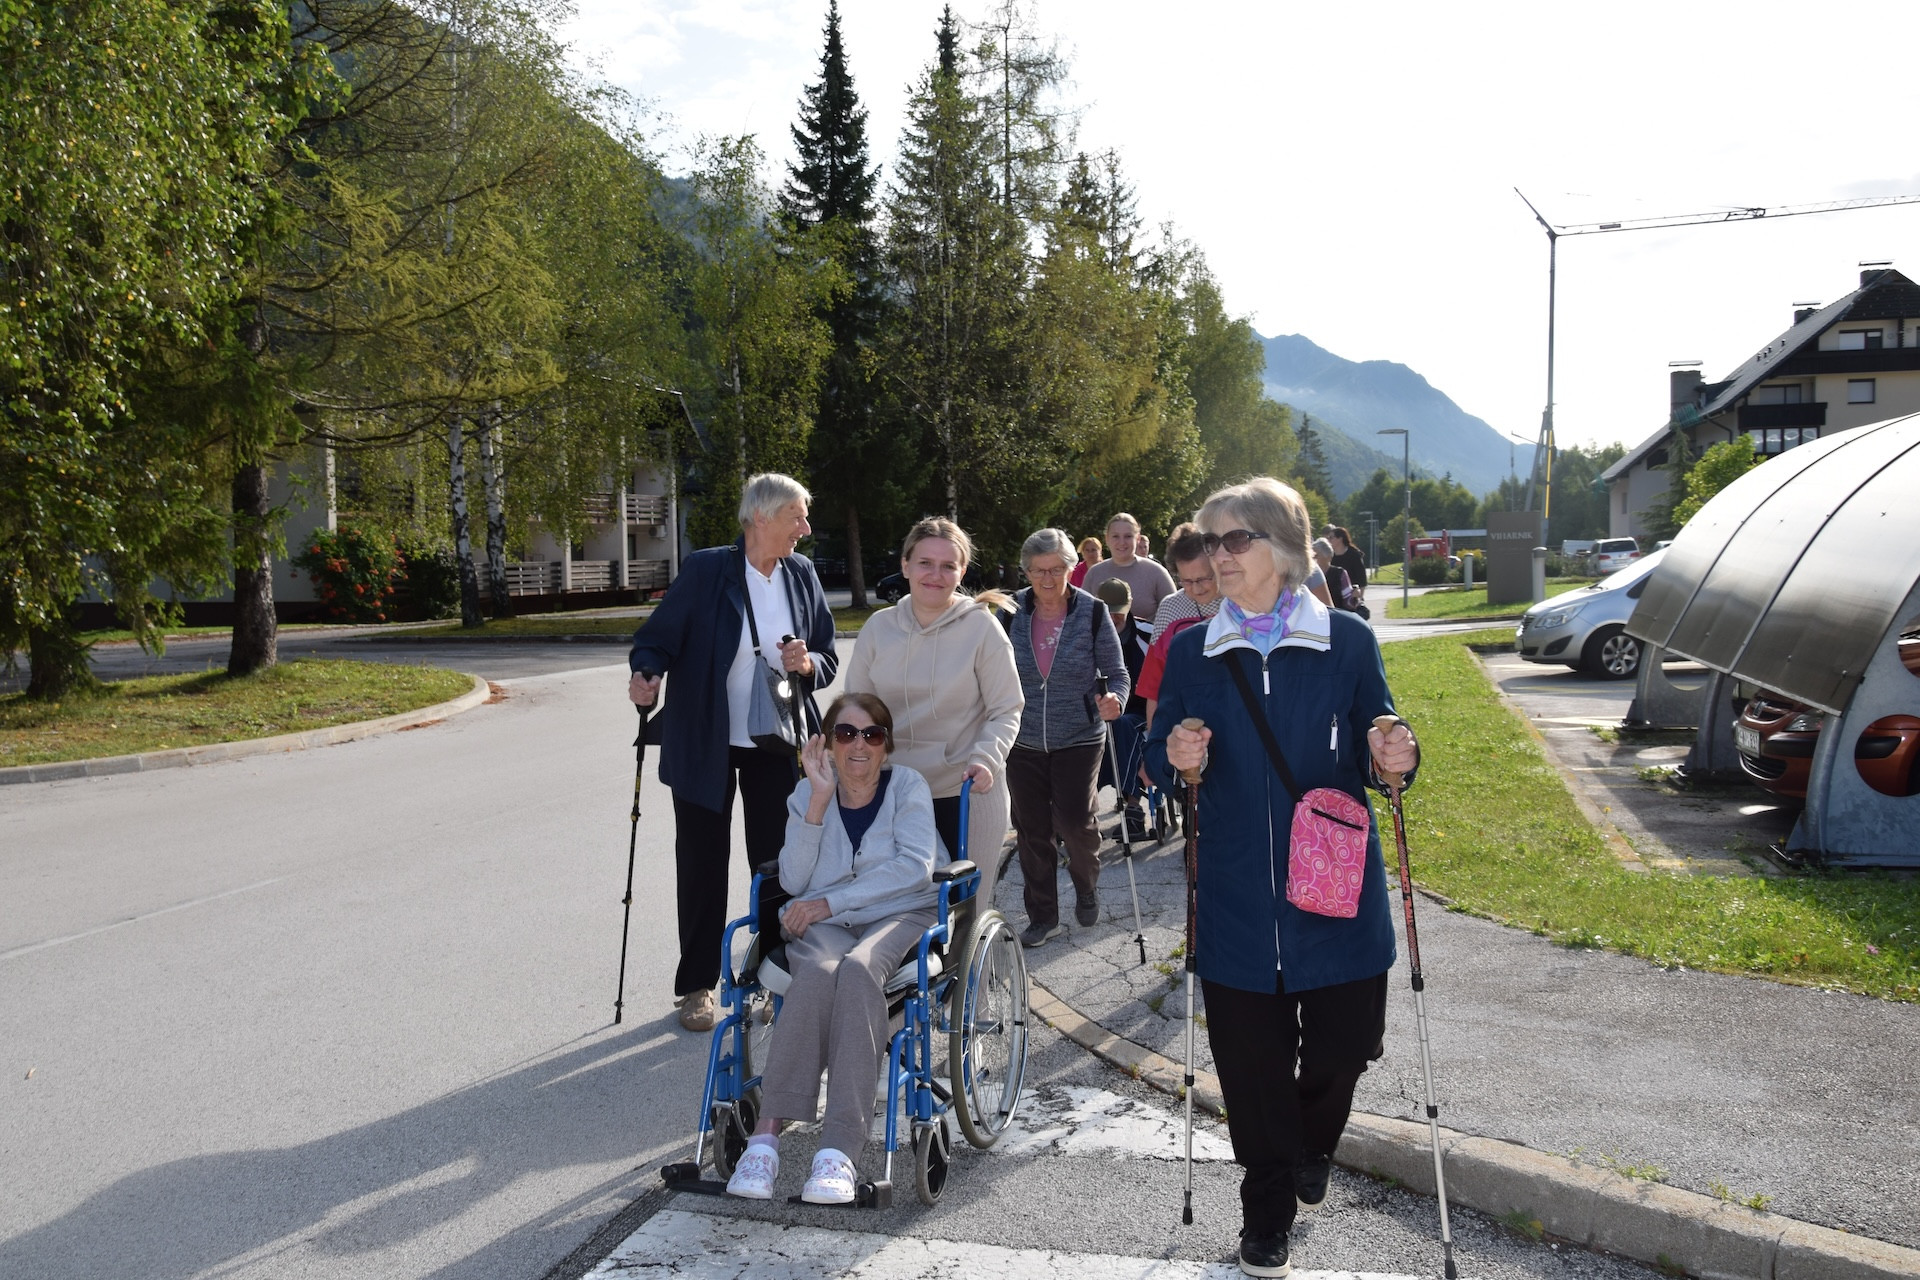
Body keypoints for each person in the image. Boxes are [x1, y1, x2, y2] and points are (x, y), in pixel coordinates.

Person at [1145, 477, 1418, 1279]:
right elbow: (1154, 754)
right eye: (1211, 541)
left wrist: (1395, 755)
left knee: (1346, 1048)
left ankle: (1312, 1143)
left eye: (1236, 541)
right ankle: (1266, 1212)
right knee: (1252, 1075)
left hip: (1334, 896)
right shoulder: (1193, 651)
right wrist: (1174, 759)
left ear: (1285, 550)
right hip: (1234, 901)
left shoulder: (1348, 643)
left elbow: (1383, 744)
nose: (1217, 556)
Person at [628, 473, 839, 1032]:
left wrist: (808, 664)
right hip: (705, 740)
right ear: (762, 518)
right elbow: (657, 636)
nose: (806, 528)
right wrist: (645, 673)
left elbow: (828, 655)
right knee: (701, 864)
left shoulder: (801, 574)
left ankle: (775, 975)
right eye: (797, 516)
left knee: (776, 863)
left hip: (777, 742)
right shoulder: (707, 569)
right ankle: (697, 985)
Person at [721, 693, 945, 1204]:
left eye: (872, 735)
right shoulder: (806, 795)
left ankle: (839, 1151)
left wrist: (830, 901)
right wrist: (819, 802)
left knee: (860, 970)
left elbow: (915, 866)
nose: (859, 745)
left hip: (901, 913)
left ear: (886, 746)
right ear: (826, 744)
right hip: (828, 922)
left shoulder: (907, 787)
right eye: (846, 734)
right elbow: (795, 878)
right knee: (819, 974)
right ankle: (765, 1140)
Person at [844, 516, 1023, 901]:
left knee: (965, 913)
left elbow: (1006, 707)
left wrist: (987, 758)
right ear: (905, 565)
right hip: (892, 790)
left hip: (965, 790)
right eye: (925, 563)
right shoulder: (878, 628)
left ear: (961, 572)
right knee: (893, 911)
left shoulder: (982, 629)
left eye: (948, 566)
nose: (935, 575)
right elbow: (857, 711)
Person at [1005, 528, 1127, 946]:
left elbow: (1118, 672)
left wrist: (1116, 699)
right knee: (1032, 830)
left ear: (1073, 568)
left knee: (1076, 822)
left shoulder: (1092, 612)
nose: (1048, 579)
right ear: (1026, 571)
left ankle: (1086, 882)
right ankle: (1043, 916)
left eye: (1057, 569)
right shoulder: (1009, 612)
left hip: (1079, 734)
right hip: (1021, 739)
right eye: (1038, 571)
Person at [1139, 526, 1221, 728]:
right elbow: (1154, 684)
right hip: (1183, 724)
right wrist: (1153, 745)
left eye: (1204, 579)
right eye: (1186, 581)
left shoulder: (1240, 602)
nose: (1196, 588)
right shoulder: (1170, 607)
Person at [1093, 577, 1151, 841]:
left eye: (1119, 611)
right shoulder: (1088, 633)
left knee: (1123, 724)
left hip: (1141, 710)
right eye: (1108, 611)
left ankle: (1134, 807)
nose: (1114, 617)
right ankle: (1083, 810)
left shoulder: (1148, 634)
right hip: (1096, 712)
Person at [1082, 512, 1175, 629]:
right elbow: (1082, 615)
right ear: (1107, 539)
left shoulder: (1157, 572)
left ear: (1138, 539)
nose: (1122, 542)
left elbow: (1175, 615)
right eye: (1115, 536)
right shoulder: (1094, 574)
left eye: (1128, 536)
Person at [1312, 537, 1359, 612]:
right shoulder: (1309, 575)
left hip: (1336, 616)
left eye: (1316, 556)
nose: (1312, 559)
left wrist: (1354, 596)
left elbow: (1349, 603)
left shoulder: (1340, 574)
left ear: (1328, 557)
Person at [1328, 526, 1368, 609]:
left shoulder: (1354, 555)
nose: (1328, 540)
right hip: (1334, 596)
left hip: (1351, 595)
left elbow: (1362, 578)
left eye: (1331, 537)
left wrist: (1360, 598)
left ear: (1340, 539)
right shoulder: (1330, 556)